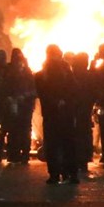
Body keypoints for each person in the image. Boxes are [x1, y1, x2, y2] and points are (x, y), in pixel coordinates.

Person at [36, 45, 79, 184]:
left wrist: (57, 102)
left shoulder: (43, 74)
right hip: (61, 113)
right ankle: (68, 173)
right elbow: (73, 90)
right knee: (66, 145)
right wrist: (62, 101)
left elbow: (43, 93)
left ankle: (58, 174)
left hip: (54, 114)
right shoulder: (64, 72)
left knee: (57, 145)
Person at [4, 49, 37, 164]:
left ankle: (21, 154)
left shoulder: (26, 73)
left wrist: (24, 96)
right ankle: (16, 154)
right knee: (17, 130)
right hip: (16, 104)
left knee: (21, 130)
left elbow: (34, 90)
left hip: (24, 105)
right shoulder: (11, 72)